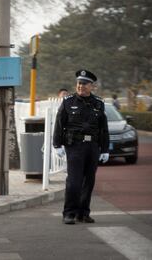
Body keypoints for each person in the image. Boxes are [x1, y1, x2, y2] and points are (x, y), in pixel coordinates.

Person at [53, 69, 109, 225]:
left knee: (89, 181)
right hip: (75, 146)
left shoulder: (98, 103)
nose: (80, 86)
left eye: (84, 84)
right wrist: (57, 144)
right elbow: (59, 125)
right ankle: (69, 213)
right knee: (74, 181)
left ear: (92, 86)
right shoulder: (68, 101)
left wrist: (104, 149)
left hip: (92, 146)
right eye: (79, 83)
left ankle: (83, 213)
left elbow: (103, 128)